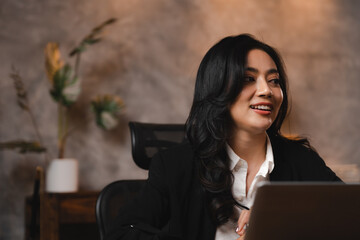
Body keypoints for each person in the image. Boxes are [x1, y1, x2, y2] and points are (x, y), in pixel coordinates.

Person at [106, 34, 341, 240]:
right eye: (249, 79)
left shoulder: (302, 161)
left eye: (274, 81)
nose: (266, 91)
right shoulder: (175, 167)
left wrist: (284, 216)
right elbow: (122, 233)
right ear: (218, 88)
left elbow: (350, 218)